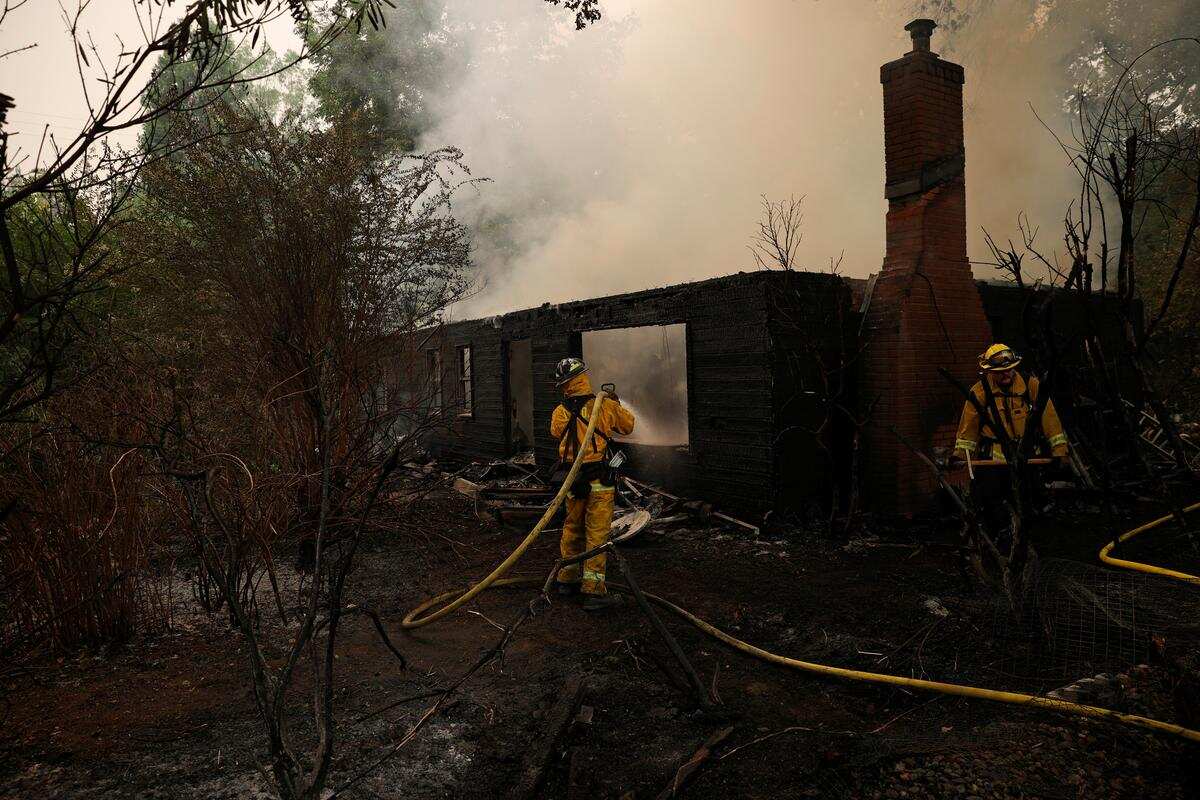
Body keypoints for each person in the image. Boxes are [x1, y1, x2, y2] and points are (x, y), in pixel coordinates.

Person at [953, 343, 1070, 543]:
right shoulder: (979, 392)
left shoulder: (1030, 385)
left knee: (1028, 497)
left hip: (1025, 456)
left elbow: (1050, 420)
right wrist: (960, 457)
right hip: (993, 459)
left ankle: (1029, 538)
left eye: (1009, 370)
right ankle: (1001, 535)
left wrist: (1060, 451)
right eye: (1000, 372)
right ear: (990, 371)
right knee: (992, 498)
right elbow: (968, 431)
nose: (1006, 375)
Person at [549, 357, 635, 611]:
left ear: (564, 384)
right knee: (597, 535)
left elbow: (556, 432)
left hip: (573, 481)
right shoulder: (604, 406)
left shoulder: (559, 412)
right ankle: (594, 591)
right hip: (599, 480)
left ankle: (566, 580)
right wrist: (615, 404)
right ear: (583, 377)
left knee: (572, 528)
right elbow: (628, 426)